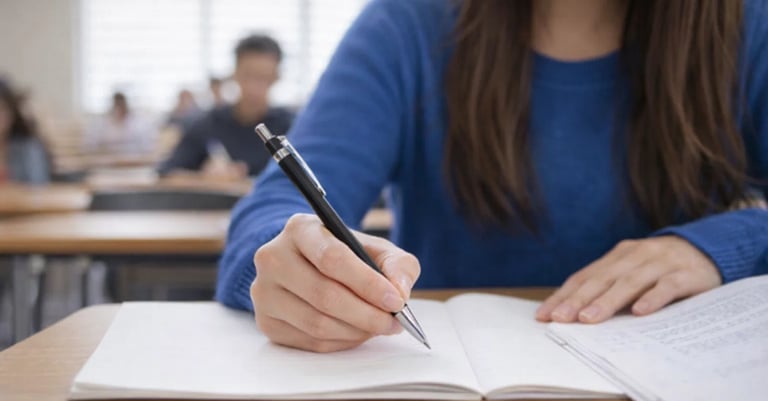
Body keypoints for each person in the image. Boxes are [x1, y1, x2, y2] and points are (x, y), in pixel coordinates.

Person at [216, 0, 768, 353]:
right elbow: (273, 215)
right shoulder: (406, 26)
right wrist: (292, 263)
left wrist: (726, 245)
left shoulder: (749, 27)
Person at [158, 35, 294, 179]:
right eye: (248, 75)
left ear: (276, 77)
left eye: (263, 77)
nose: (254, 87)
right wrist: (205, 178)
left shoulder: (291, 127)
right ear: (235, 74)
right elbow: (166, 174)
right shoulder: (209, 124)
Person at [0, 78, 51, 184]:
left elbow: (37, 188)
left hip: (17, 200)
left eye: (1, 109)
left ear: (12, 113)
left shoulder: (28, 147)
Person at [83, 92, 155, 156]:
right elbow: (90, 145)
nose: (119, 109)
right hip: (107, 160)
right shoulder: (101, 123)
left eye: (121, 105)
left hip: (132, 159)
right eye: (117, 105)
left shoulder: (138, 123)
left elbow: (147, 147)